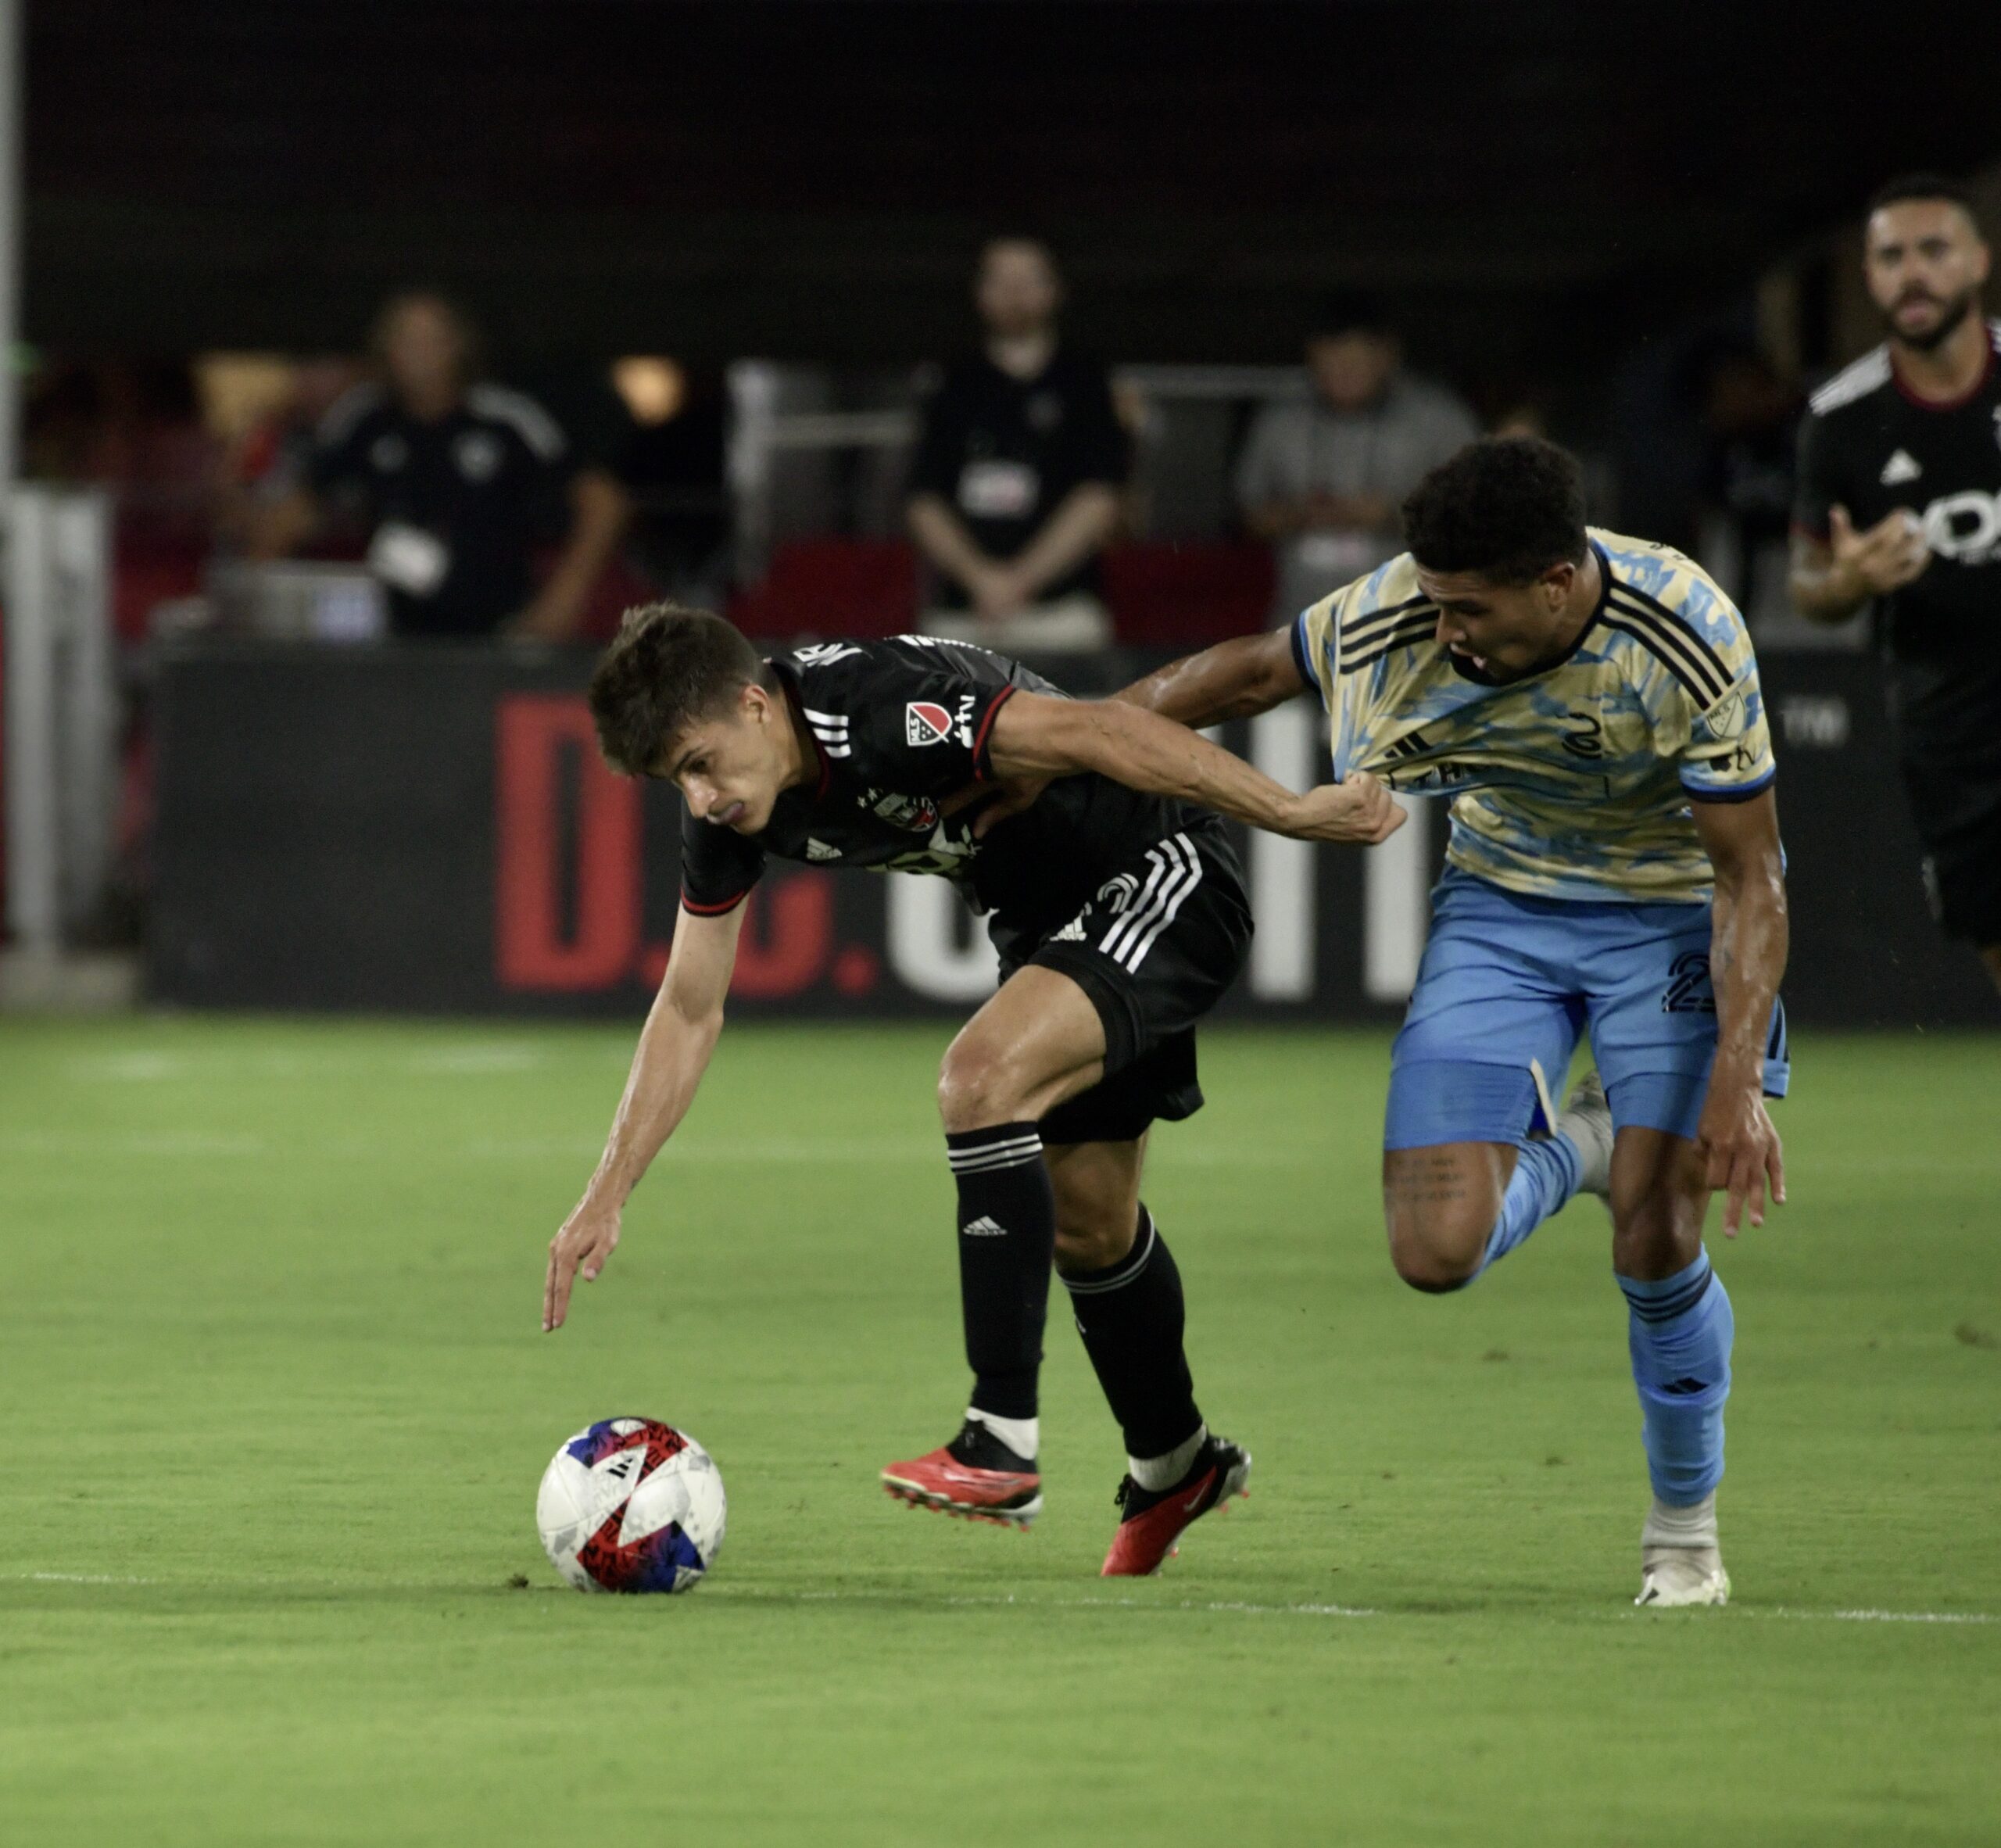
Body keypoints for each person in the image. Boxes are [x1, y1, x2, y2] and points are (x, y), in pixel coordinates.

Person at [541, 606, 1402, 1575]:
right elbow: (690, 1008)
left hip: (1160, 872)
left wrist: (1291, 813)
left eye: (700, 763)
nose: (698, 799)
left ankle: (999, 1437)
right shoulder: (738, 804)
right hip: (1045, 928)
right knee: (1089, 1223)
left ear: (753, 704)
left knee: (979, 1079)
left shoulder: (878, 710)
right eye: (677, 781)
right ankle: (1176, 1463)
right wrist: (605, 1192)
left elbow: (1101, 728)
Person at [1115, 436, 1790, 1607]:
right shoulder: (1398, 612)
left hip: (1670, 916)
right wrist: (1073, 737)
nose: (1444, 633)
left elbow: (1752, 877)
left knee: (1658, 1230)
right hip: (1503, 912)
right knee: (1434, 1254)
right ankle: (1587, 1141)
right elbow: (1241, 677)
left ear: (1559, 585)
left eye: (1468, 610)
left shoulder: (1683, 628)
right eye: (1433, 603)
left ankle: (1683, 1537)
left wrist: (1734, 1082)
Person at [1788, 174, 2001, 994]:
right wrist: (1846, 579)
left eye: (1932, 250)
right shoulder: (1842, 419)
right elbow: (1811, 582)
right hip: (1949, 724)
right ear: (1871, 278)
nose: (1911, 272)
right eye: (1890, 256)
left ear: (1977, 261)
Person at [248, 292, 629, 641]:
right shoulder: (364, 420)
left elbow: (603, 502)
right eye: (405, 338)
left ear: (459, 344)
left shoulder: (506, 420)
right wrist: (252, 581)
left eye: (432, 338)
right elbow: (300, 509)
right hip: (389, 634)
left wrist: (563, 599)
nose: (419, 352)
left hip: (496, 631)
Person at [905, 238, 1128, 654]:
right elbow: (923, 500)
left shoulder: (1086, 382)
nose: (1015, 294)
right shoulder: (949, 383)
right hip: (962, 616)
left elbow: (1099, 497)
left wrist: (1020, 581)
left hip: (1061, 614)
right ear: (979, 292)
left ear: (1056, 290)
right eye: (1001, 280)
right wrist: (982, 580)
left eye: (1028, 280)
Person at [1235, 293, 1479, 619]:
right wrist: (1296, 514)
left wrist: (1392, 515)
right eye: (1332, 363)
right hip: (1302, 612)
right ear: (1313, 355)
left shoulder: (1437, 418)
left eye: (1356, 364)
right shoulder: (1282, 419)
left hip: (1409, 615)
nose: (1344, 375)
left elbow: (1476, 516)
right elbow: (1244, 513)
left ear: (1388, 356)